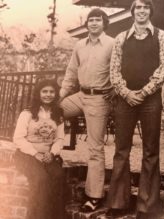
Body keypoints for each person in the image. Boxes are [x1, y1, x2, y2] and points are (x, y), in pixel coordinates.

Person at [106, 0, 164, 218]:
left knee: (150, 150)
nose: (142, 11)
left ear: (150, 11)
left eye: (146, 7)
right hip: (125, 99)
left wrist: (144, 92)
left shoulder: (161, 36)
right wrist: (127, 93)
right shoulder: (121, 38)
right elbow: (114, 70)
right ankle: (118, 202)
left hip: (151, 100)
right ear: (133, 11)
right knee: (121, 149)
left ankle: (147, 206)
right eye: (138, 7)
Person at [59, 8, 115, 212]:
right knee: (50, 114)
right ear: (87, 24)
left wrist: (116, 89)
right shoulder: (79, 45)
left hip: (99, 98)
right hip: (80, 95)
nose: (93, 23)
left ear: (104, 23)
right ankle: (50, 158)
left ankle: (94, 196)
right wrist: (61, 96)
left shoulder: (112, 43)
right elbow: (71, 72)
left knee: (95, 148)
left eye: (98, 20)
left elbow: (120, 70)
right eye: (90, 20)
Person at [13, 79, 65, 219]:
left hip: (47, 156)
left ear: (56, 94)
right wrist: (35, 153)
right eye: (44, 91)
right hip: (26, 156)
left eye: (52, 91)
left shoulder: (58, 115)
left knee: (58, 176)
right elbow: (18, 138)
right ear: (38, 93)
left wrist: (52, 153)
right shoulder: (27, 113)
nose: (48, 95)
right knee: (41, 179)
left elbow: (59, 139)